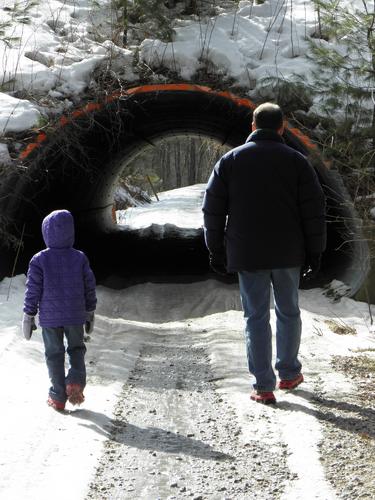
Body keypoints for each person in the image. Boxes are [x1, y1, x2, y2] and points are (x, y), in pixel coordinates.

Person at [202, 102, 326, 404]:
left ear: (253, 127)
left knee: (255, 317)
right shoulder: (297, 162)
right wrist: (316, 252)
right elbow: (314, 212)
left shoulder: (229, 161)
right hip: (289, 252)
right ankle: (289, 372)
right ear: (282, 127)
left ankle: (263, 385)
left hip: (248, 252)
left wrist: (215, 249)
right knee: (289, 311)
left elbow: (213, 210)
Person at [22, 209, 97, 411]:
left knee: (54, 353)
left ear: (46, 232)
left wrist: (29, 315)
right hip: (75, 315)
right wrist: (90, 311)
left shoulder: (38, 260)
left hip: (49, 318)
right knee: (76, 349)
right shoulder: (80, 258)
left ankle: (57, 396)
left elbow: (33, 290)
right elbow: (89, 287)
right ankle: (74, 381)